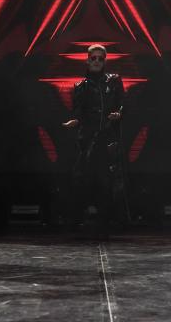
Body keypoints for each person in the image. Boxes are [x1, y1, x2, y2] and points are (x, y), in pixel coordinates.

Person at [62, 44, 126, 239]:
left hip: (107, 139)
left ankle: (105, 223)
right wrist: (75, 121)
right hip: (87, 140)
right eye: (93, 58)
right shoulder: (80, 86)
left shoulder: (114, 81)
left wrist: (119, 114)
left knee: (106, 182)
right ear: (87, 60)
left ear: (104, 61)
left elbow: (123, 104)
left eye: (100, 58)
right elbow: (78, 111)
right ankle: (77, 221)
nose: (97, 61)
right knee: (82, 180)